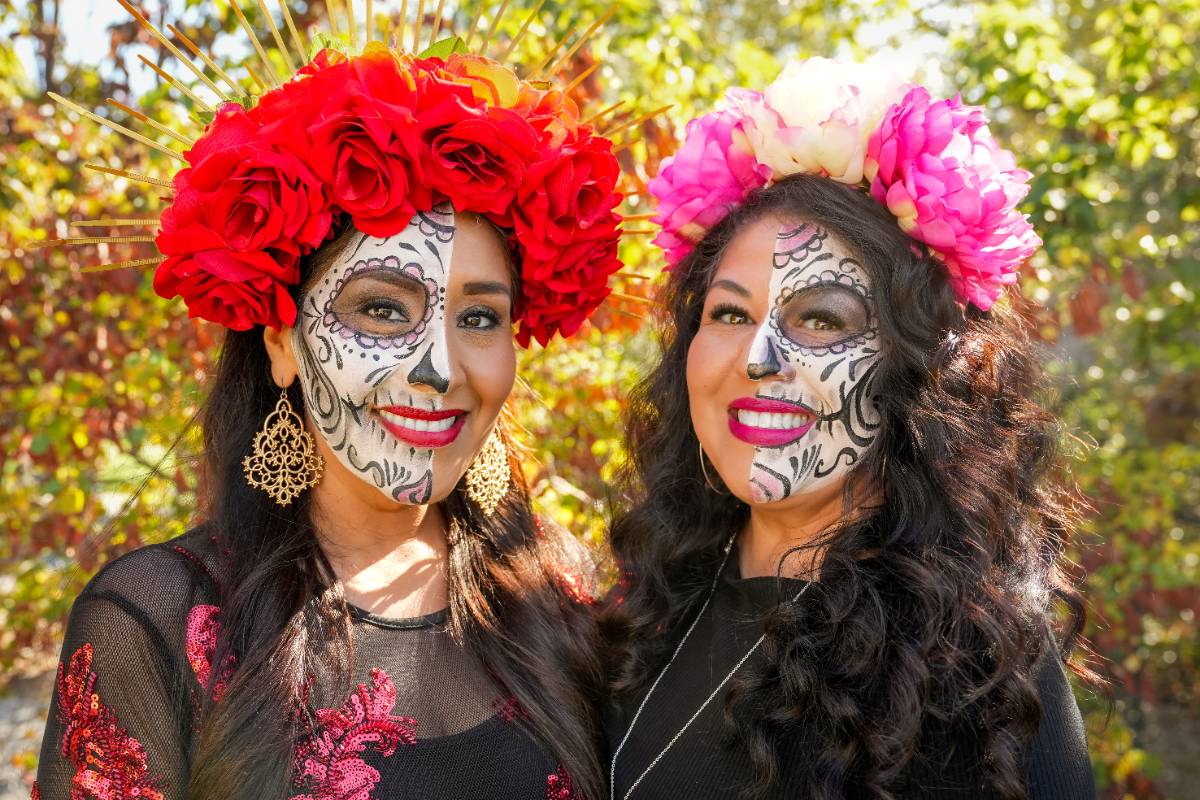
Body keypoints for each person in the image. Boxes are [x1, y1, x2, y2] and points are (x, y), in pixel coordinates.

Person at [32, 6, 628, 799]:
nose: (439, 367)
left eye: (479, 317)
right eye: (382, 309)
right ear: (281, 342)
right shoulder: (152, 622)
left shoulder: (565, 590)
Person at [604, 58, 1096, 799]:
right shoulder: (646, 608)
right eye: (730, 314)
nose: (758, 358)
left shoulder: (979, 661)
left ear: (915, 369)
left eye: (823, 320)